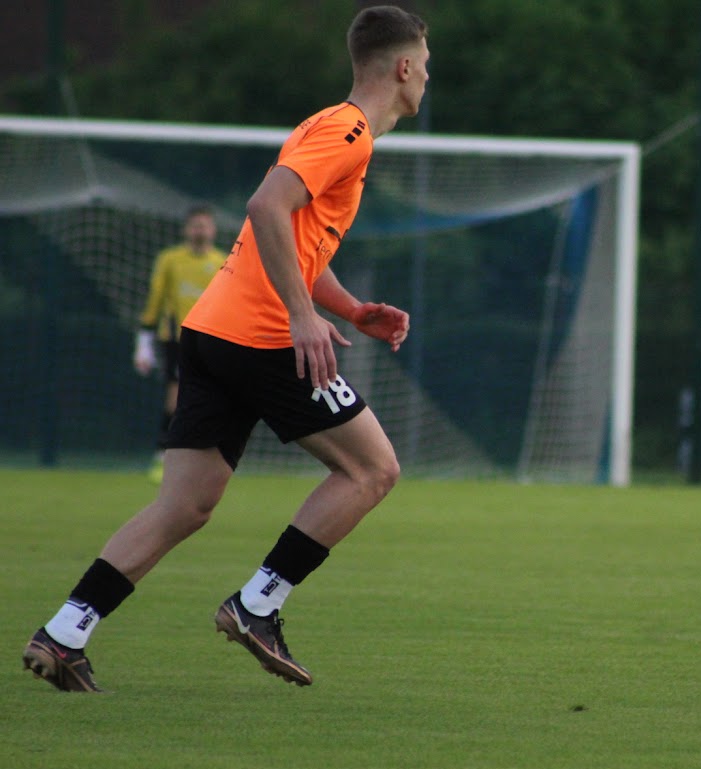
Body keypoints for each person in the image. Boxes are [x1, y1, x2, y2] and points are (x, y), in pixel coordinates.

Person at [21, 5, 427, 692]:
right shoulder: (349, 132)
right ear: (405, 66)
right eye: (427, 66)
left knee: (184, 505)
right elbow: (264, 208)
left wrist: (350, 309)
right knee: (372, 470)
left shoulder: (329, 125)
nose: (427, 79)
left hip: (212, 331)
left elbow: (292, 241)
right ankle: (257, 605)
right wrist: (300, 317)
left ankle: (64, 631)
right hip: (261, 335)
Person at [134, 205, 225, 484]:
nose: (200, 231)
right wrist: (144, 343)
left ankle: (204, 458)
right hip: (177, 339)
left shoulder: (222, 261)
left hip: (212, 339)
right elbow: (155, 299)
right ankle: (162, 456)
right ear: (186, 229)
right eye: (195, 225)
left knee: (212, 399)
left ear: (213, 230)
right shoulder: (170, 259)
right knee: (176, 398)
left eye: (204, 225)